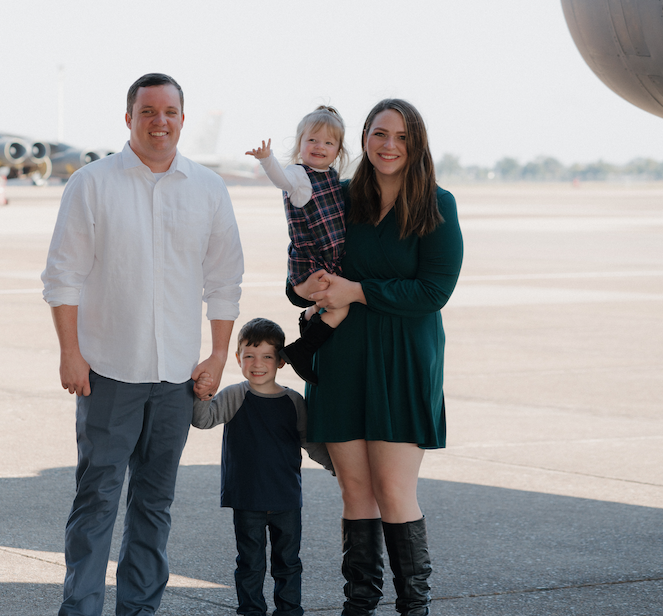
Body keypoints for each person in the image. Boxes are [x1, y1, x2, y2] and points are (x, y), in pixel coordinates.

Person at [41, 72, 244, 616]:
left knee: (155, 506)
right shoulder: (92, 183)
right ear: (128, 118)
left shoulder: (208, 188)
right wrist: (69, 351)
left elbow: (224, 282)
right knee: (97, 503)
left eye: (170, 112)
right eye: (148, 111)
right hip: (107, 371)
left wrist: (218, 354)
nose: (160, 122)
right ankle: (80, 609)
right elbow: (63, 276)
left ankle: (140, 610)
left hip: (177, 377)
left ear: (183, 117)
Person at [301, 99, 464, 616]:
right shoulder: (337, 196)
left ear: (415, 144)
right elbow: (302, 266)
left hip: (402, 360)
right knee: (355, 491)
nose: (388, 145)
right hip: (343, 358)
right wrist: (303, 287)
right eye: (378, 133)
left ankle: (413, 607)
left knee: (393, 490)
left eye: (400, 135)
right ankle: (360, 604)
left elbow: (433, 291)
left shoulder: (437, 204)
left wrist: (357, 291)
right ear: (364, 140)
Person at [191, 318, 333, 616]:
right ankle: (251, 610)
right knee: (250, 564)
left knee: (288, 563)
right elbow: (203, 420)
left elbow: (311, 444)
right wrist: (202, 394)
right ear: (237, 358)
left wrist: (339, 468)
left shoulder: (293, 401)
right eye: (249, 356)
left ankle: (290, 610)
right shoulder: (234, 394)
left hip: (286, 500)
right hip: (247, 499)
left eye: (267, 356)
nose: (258, 364)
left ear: (280, 360)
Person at [246, 106, 351, 385]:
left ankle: (309, 317)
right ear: (300, 144)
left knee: (331, 303)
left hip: (327, 258)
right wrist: (268, 160)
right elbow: (281, 179)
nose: (320, 147)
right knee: (341, 308)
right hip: (312, 259)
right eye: (312, 140)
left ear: (338, 150)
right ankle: (301, 350)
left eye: (329, 142)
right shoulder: (299, 176)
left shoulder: (329, 176)